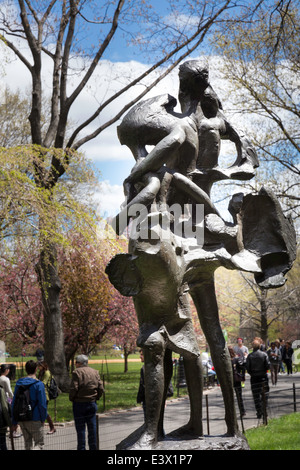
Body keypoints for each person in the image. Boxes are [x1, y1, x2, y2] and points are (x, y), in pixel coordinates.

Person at [69, 354, 104, 450]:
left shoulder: (77, 372)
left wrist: (72, 398)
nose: (75, 364)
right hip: (92, 402)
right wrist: (97, 397)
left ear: (80, 363)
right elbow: (100, 387)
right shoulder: (95, 372)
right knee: (92, 428)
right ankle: (93, 448)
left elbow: (74, 388)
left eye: (76, 362)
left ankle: (81, 448)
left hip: (79, 403)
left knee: (81, 430)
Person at [11, 360, 47, 450]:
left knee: (27, 444)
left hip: (21, 418)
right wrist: (43, 418)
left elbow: (14, 402)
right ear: (36, 369)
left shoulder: (19, 384)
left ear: (26, 370)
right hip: (35, 418)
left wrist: (14, 421)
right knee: (39, 444)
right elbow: (42, 404)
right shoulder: (39, 384)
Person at [246, 339, 270, 420]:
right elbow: (268, 365)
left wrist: (252, 373)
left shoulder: (250, 356)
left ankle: (259, 411)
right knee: (265, 395)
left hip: (254, 378)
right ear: (260, 346)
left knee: (256, 396)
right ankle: (264, 410)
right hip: (263, 377)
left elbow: (247, 368)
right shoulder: (264, 355)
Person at [37, 361, 56, 434]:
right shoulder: (41, 372)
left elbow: (44, 383)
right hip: (40, 394)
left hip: (45, 394)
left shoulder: (47, 373)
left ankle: (52, 427)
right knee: (41, 411)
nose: (38, 368)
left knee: (44, 412)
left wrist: (35, 382)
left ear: (43, 366)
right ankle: (42, 427)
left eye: (40, 366)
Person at [228, 346, 246, 417]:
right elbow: (243, 368)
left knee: (231, 397)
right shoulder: (236, 359)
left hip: (232, 380)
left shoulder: (233, 360)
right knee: (239, 396)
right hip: (236, 380)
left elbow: (242, 367)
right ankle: (242, 411)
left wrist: (241, 375)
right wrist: (242, 375)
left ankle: (234, 412)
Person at [0, 383, 11, 450]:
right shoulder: (0, 390)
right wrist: (9, 423)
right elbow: (4, 407)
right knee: (2, 444)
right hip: (0, 424)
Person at [137, 349, 146, 418]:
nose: (140, 356)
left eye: (142, 355)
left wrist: (140, 398)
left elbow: (143, 386)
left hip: (148, 400)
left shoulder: (144, 369)